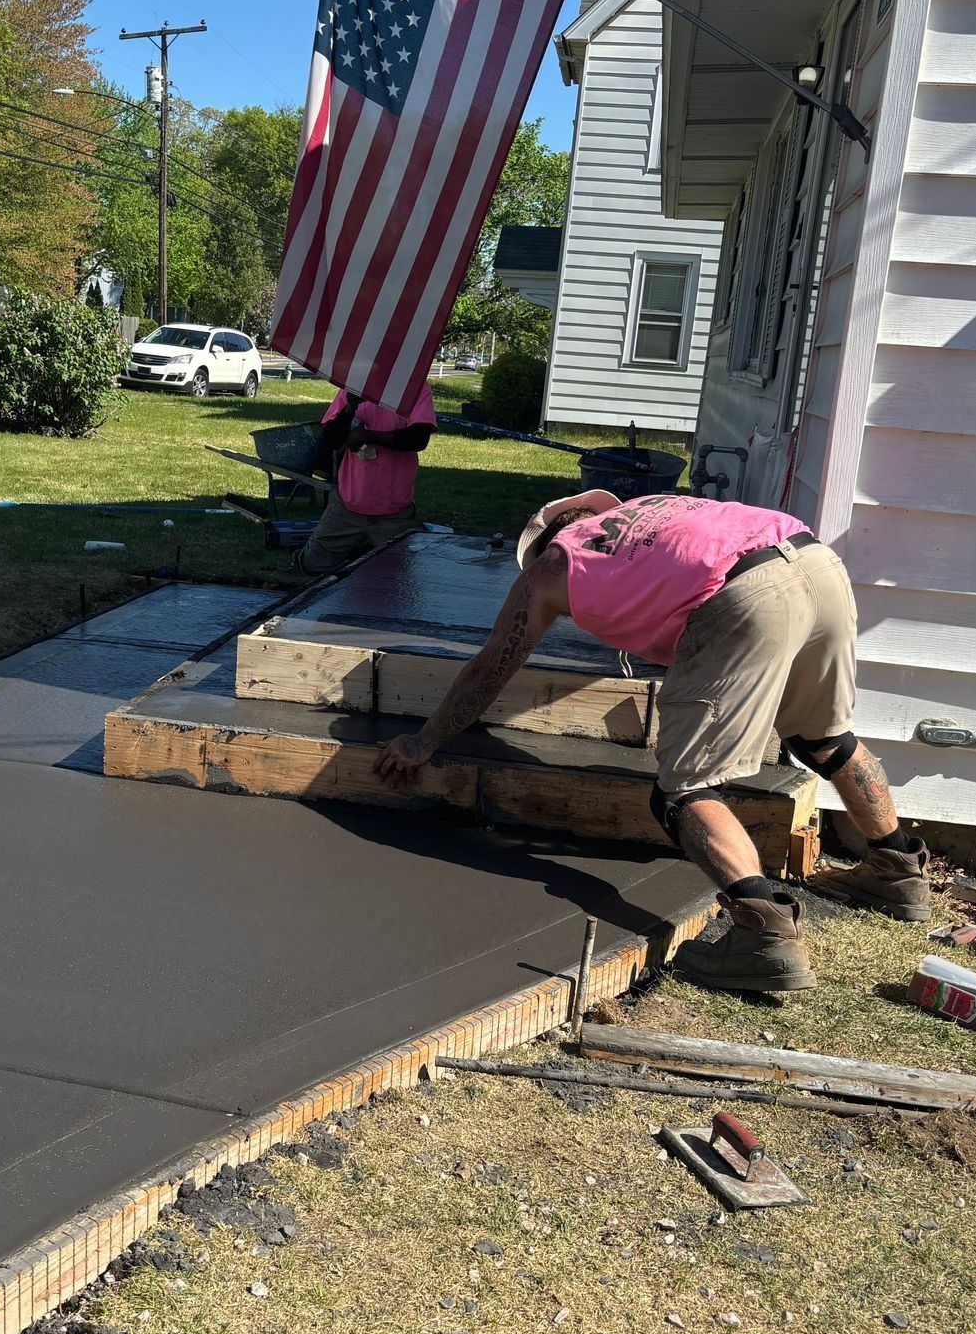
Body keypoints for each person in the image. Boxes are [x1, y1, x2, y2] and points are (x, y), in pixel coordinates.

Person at [374, 489, 931, 994]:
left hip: (748, 595)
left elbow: (495, 663)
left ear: (549, 537)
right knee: (822, 739)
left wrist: (426, 740)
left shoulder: (552, 563)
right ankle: (897, 872)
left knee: (683, 789)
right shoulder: (656, 510)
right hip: (815, 562)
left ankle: (765, 933)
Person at [297, 381, 436, 574]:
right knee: (312, 565)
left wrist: (368, 436)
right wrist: (348, 411)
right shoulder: (354, 384)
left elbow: (419, 438)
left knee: (396, 577)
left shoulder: (416, 387)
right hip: (348, 504)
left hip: (394, 512)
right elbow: (330, 438)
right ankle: (359, 554)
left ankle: (364, 553)